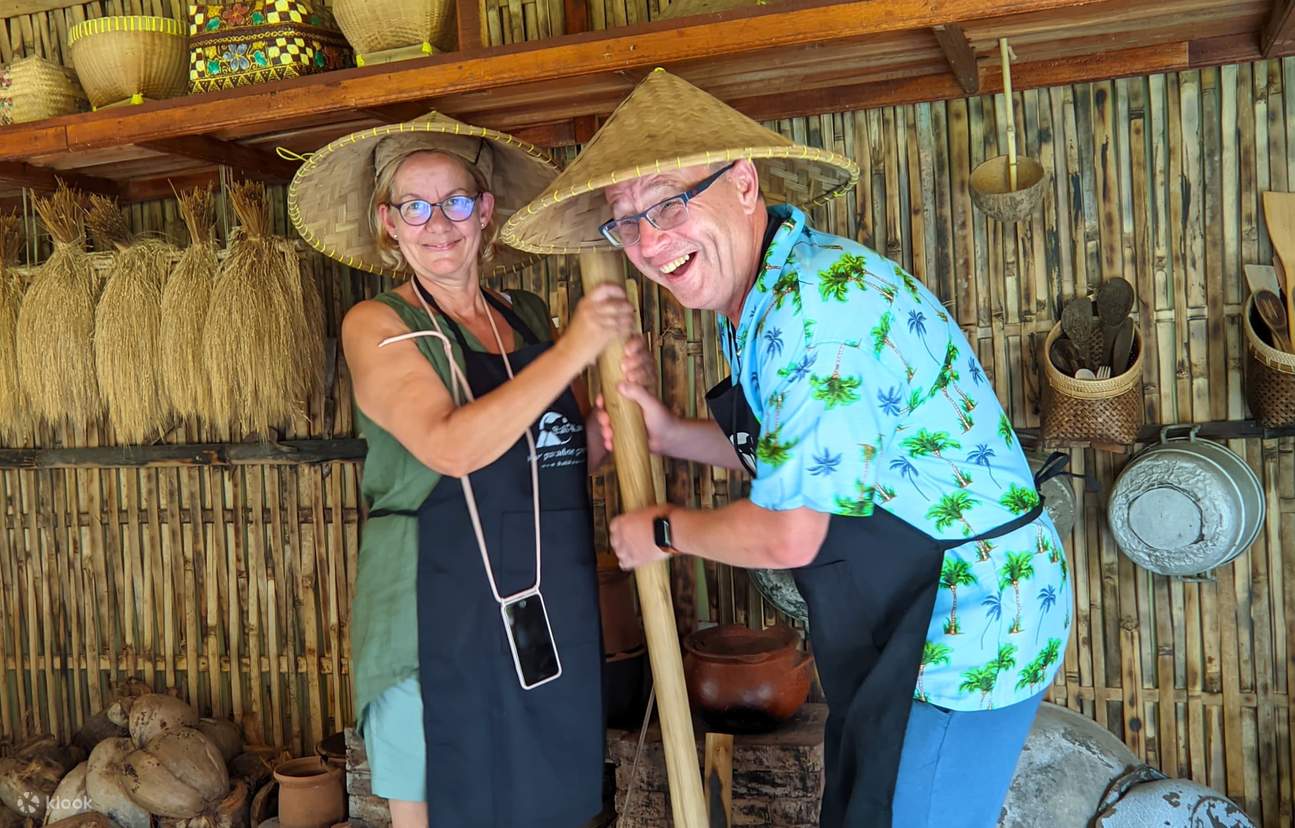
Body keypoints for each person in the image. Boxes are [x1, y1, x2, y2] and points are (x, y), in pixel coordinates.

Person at [502, 70, 1074, 827]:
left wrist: (664, 531)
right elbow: (803, 456)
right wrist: (669, 431)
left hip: (966, 622)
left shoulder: (815, 310)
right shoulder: (756, 295)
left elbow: (785, 529)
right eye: (625, 221)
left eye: (669, 203)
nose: (647, 240)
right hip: (905, 611)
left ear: (742, 183)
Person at [289, 113, 648, 828]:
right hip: (432, 603)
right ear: (388, 223)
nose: (436, 224)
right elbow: (451, 449)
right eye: (413, 207)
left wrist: (608, 422)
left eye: (454, 201)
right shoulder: (378, 323)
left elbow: (563, 457)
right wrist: (575, 351)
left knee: (541, 792)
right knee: (434, 797)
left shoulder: (531, 321)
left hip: (545, 597)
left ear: (485, 211)